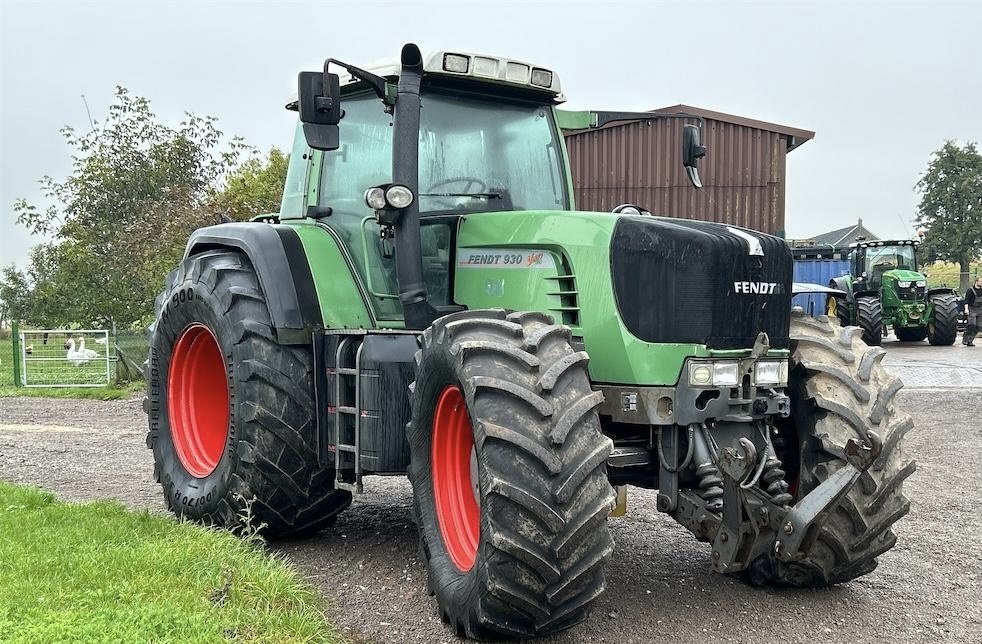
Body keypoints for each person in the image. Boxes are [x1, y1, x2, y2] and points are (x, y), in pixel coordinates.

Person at [963, 276, 982, 347]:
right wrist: (966, 309)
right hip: (972, 309)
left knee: (978, 326)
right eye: (981, 281)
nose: (981, 283)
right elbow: (966, 301)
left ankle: (970, 340)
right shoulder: (970, 290)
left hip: (980, 310)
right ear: (976, 282)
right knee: (972, 324)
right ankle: (965, 339)